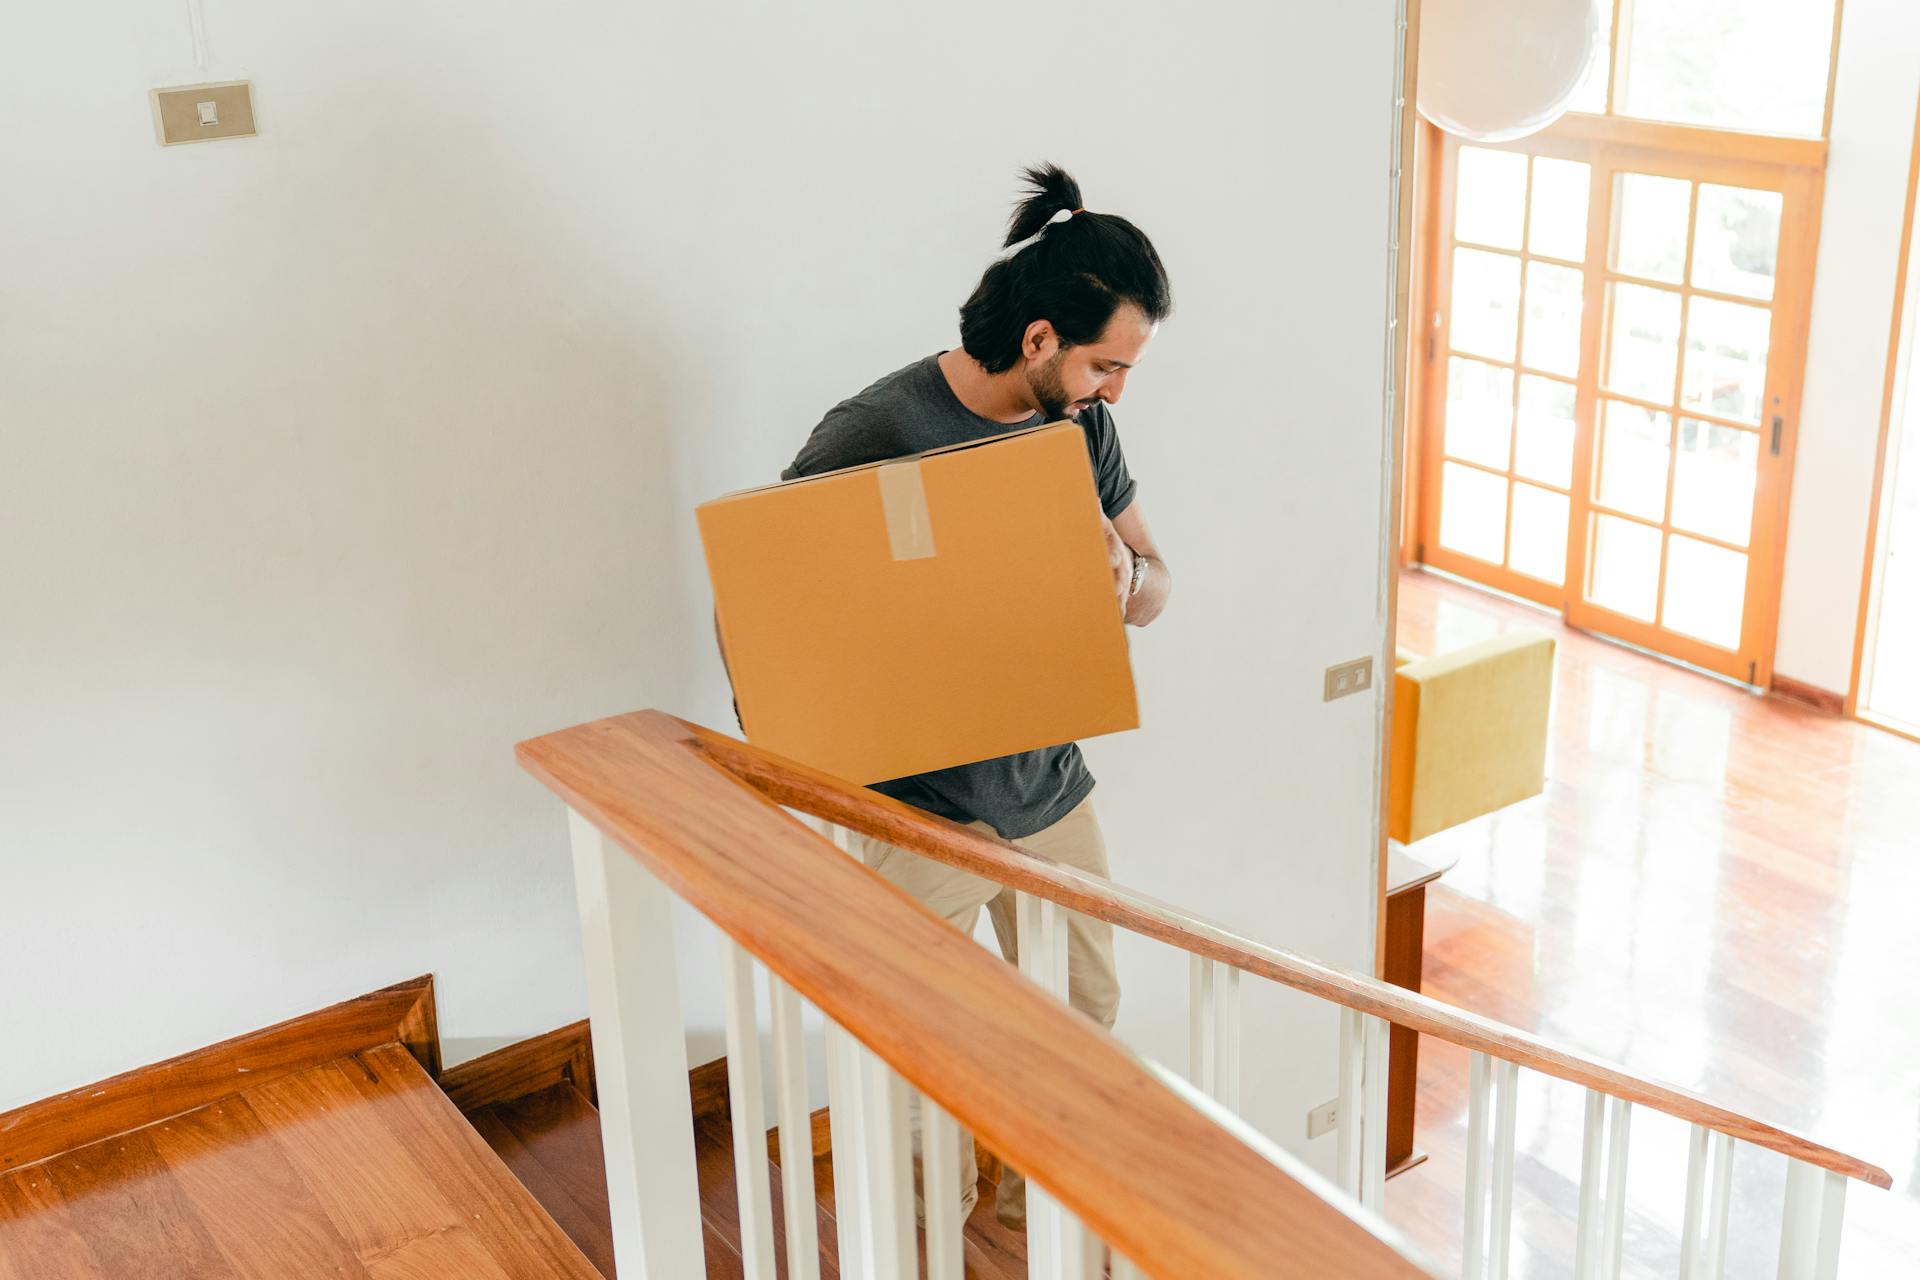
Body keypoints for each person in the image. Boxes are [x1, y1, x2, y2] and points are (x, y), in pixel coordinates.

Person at [781, 163, 1173, 1231]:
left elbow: (1154, 572)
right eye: (1107, 363)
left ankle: (1037, 1220)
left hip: (1049, 784)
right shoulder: (881, 429)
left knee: (1083, 1016)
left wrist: (1130, 580)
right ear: (1039, 338)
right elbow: (777, 587)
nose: (1117, 390)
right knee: (922, 1042)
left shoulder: (1080, 425)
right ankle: (936, 1240)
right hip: (922, 805)